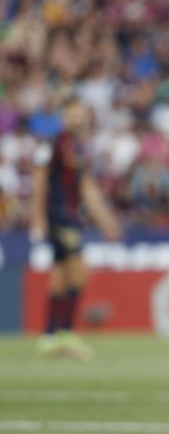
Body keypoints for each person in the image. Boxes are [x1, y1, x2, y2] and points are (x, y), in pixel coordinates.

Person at [31, 98, 121, 360]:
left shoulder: (79, 148)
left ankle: (49, 337)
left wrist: (106, 222)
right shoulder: (52, 144)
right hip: (58, 216)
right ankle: (67, 333)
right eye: (73, 114)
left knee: (60, 275)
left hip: (71, 217)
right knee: (80, 271)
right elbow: (39, 180)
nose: (77, 119)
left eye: (81, 115)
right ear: (63, 115)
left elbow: (87, 188)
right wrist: (38, 217)